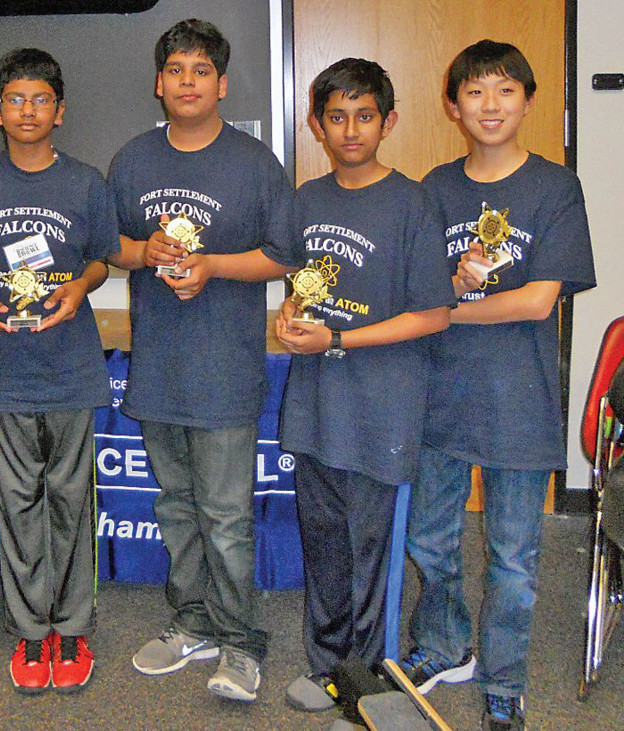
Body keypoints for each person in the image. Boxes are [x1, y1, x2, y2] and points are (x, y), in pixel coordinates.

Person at [401, 40, 595, 730]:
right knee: (430, 539)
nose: (490, 104)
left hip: (520, 399)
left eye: (505, 90)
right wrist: (448, 285)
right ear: (454, 106)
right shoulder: (434, 187)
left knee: (514, 557)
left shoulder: (554, 187)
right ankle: (445, 643)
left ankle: (505, 677)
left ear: (528, 101)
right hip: (440, 393)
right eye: (475, 92)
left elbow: (540, 299)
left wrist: (451, 306)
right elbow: (419, 288)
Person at [107, 18, 294, 702]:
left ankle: (242, 641)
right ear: (159, 84)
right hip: (159, 368)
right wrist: (145, 251)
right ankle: (193, 623)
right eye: (175, 70)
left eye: (200, 70)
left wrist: (211, 265)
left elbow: (283, 254)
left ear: (220, 83)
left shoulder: (253, 163)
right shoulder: (132, 160)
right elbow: (110, 247)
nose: (187, 81)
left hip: (224, 369)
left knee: (224, 514)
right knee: (176, 507)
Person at [274, 58, 454, 713]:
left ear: (389, 121)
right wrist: (292, 315)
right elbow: (306, 285)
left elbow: (433, 312)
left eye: (365, 115)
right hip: (317, 401)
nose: (351, 129)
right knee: (322, 541)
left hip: (381, 407)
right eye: (337, 116)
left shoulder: (411, 202)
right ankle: (326, 665)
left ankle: (366, 683)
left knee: (368, 551)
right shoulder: (307, 200)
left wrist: (341, 339)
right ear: (318, 125)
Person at [0, 48, 119, 693]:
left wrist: (82, 286)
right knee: (19, 505)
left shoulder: (86, 183)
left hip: (71, 367)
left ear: (60, 110)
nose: (29, 110)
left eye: (41, 99)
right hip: (3, 369)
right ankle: (32, 634)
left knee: (72, 503)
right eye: (16, 100)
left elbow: (102, 261)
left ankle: (73, 627)